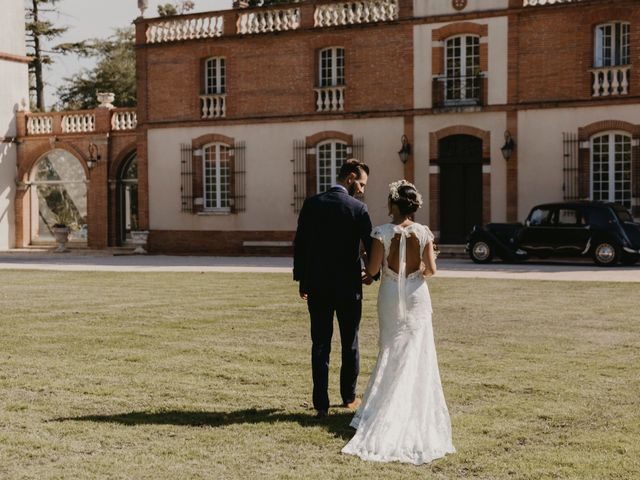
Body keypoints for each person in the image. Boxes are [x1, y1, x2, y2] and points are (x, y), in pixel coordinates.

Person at [341, 179, 455, 465]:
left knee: (391, 348)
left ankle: (387, 409)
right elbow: (431, 270)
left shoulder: (381, 232)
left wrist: (366, 257)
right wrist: (416, 274)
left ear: (393, 204)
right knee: (417, 352)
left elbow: (373, 270)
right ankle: (413, 409)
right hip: (417, 296)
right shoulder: (424, 233)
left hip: (391, 295)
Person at [293, 159, 373, 418]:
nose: (361, 189)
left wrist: (302, 280)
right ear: (349, 178)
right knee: (350, 343)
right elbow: (371, 246)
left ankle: (321, 404)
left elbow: (300, 245)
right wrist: (373, 274)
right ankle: (348, 397)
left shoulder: (312, 204)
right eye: (360, 183)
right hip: (349, 287)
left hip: (317, 286)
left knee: (320, 344)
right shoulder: (358, 209)